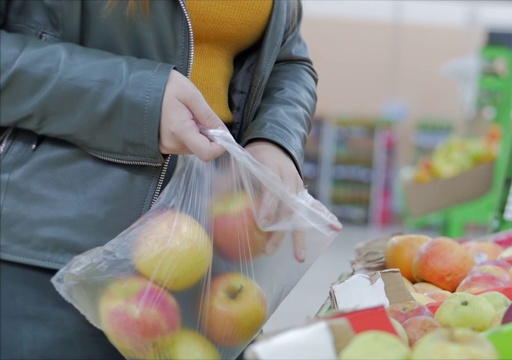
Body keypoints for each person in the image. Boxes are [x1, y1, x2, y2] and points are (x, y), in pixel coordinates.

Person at [0, 0, 317, 358]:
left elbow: (287, 60)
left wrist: (274, 138)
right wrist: (139, 100)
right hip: (56, 259)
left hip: (209, 262)